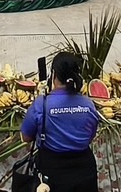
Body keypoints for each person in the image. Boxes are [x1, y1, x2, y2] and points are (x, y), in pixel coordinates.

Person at [19, 51, 100, 192]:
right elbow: (90, 136)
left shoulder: (42, 104)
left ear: (54, 75)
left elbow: (26, 137)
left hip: (52, 173)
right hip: (85, 173)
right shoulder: (88, 104)